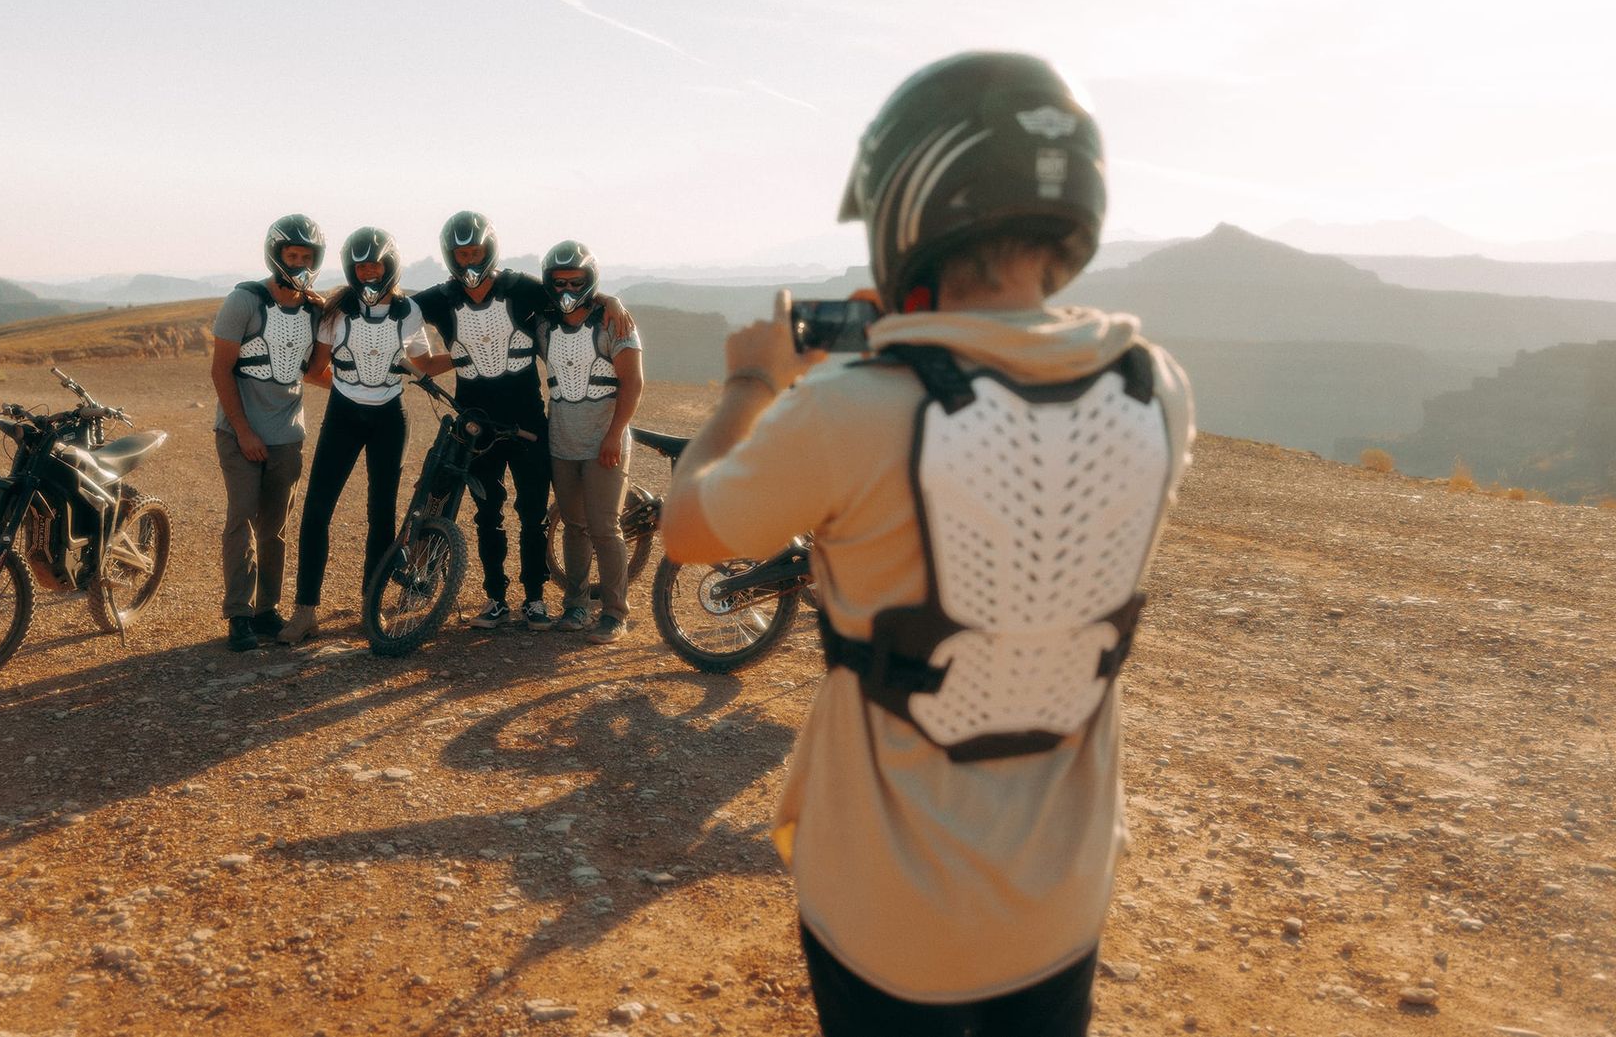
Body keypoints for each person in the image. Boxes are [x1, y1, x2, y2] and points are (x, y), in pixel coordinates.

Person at [661, 53, 1195, 1035]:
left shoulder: (847, 409)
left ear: (910, 205)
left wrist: (750, 383)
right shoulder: (1153, 389)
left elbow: (688, 528)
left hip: (887, 913)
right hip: (1061, 900)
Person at [410, 212, 634, 632]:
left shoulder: (522, 289)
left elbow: (575, 292)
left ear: (489, 249)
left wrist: (612, 300)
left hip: (530, 422)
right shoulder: (439, 298)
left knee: (532, 513)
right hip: (475, 423)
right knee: (486, 512)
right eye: (461, 253)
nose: (469, 260)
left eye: (475, 251)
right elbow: (393, 311)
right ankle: (495, 597)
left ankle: (534, 599)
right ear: (449, 256)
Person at [281, 228, 455, 645]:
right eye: (361, 265)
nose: (368, 271)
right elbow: (315, 368)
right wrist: (349, 388)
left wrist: (465, 356)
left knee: (381, 512)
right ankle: (305, 612)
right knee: (318, 508)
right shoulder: (336, 311)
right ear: (351, 269)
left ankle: (369, 604)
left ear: (390, 265)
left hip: (390, 419)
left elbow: (424, 363)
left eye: (375, 263)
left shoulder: (408, 311)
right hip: (343, 416)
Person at [210, 214, 327, 652]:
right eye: (291, 255)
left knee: (274, 527)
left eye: (306, 257)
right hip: (239, 432)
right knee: (240, 518)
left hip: (287, 435)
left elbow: (316, 371)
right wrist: (243, 431)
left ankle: (266, 611)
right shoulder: (244, 301)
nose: (297, 263)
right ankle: (238, 614)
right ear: (275, 254)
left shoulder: (315, 312)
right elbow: (221, 370)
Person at [535, 240, 644, 642]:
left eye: (575, 281)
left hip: (605, 443)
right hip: (562, 443)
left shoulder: (611, 323)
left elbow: (633, 382)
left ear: (589, 280)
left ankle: (616, 613)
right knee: (574, 527)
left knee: (604, 528)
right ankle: (576, 606)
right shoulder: (544, 324)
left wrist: (615, 435)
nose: (566, 289)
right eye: (558, 282)